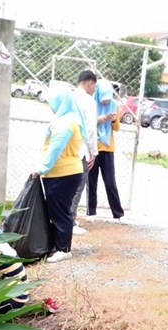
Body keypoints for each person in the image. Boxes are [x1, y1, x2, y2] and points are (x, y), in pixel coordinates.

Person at [32, 87, 85, 264]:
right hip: (63, 173)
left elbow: (55, 149)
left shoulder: (65, 123)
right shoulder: (68, 120)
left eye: (53, 102)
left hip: (63, 174)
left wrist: (42, 168)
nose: (51, 106)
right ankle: (59, 246)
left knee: (60, 211)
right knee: (56, 210)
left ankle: (64, 249)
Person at [87, 79, 125, 222]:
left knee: (110, 181)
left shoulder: (114, 105)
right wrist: (98, 120)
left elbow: (116, 128)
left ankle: (117, 214)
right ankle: (91, 212)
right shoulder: (91, 104)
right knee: (91, 180)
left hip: (108, 147)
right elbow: (87, 124)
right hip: (93, 146)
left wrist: (114, 120)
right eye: (103, 99)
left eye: (107, 99)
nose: (105, 102)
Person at [71, 71, 99, 236]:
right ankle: (71, 220)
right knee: (77, 187)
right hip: (81, 150)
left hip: (67, 148)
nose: (94, 89)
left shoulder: (70, 96)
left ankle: (63, 219)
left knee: (66, 187)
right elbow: (90, 128)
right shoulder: (88, 101)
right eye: (94, 85)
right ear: (89, 83)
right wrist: (93, 152)